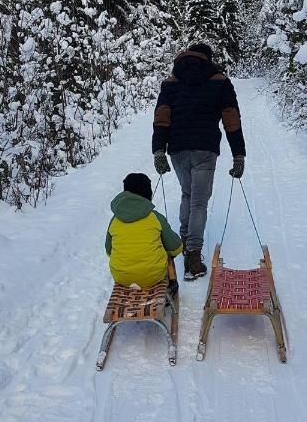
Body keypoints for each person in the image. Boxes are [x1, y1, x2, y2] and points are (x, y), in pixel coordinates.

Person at [152, 42, 246, 281]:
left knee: (187, 194)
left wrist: (158, 151)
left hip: (178, 149)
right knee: (199, 202)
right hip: (205, 148)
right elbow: (231, 119)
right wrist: (238, 154)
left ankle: (184, 239)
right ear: (208, 58)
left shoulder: (171, 83)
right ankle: (193, 253)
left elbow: (161, 118)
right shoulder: (219, 81)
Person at [105, 173, 183, 290]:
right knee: (166, 251)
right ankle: (171, 285)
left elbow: (109, 251)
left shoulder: (115, 220)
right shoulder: (155, 217)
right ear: (148, 193)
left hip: (121, 277)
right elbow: (176, 248)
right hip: (153, 276)